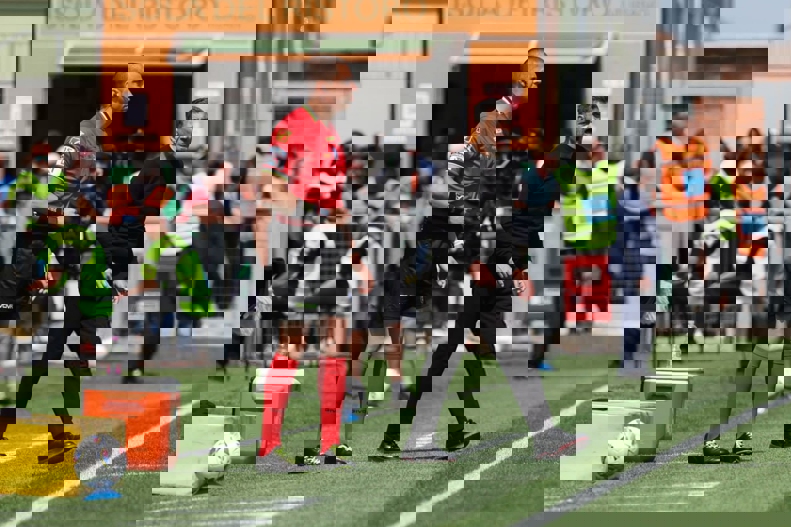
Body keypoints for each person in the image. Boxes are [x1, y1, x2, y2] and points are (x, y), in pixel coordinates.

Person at [373, 50, 545, 460]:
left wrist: (510, 265)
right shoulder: (462, 155)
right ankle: (399, 424)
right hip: (442, 255)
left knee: (478, 347)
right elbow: (489, 127)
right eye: (493, 128)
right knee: (443, 350)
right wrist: (520, 88)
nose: (498, 135)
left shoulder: (497, 170)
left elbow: (499, 220)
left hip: (474, 258)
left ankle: (456, 423)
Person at [0, 206, 125, 452]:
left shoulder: (52, 244)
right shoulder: (39, 245)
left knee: (39, 372)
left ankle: (53, 426)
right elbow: (41, 276)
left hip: (40, 311)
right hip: (30, 310)